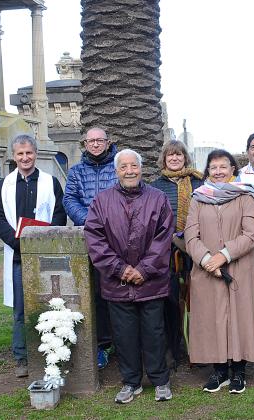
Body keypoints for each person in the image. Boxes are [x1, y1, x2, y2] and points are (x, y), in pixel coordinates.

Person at [84, 149, 175, 404]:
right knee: (123, 336)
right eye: (123, 167)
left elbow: (164, 238)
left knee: (154, 333)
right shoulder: (102, 201)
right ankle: (130, 382)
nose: (129, 171)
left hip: (151, 282)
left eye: (133, 166)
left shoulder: (158, 199)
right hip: (117, 283)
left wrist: (143, 270)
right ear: (116, 171)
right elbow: (95, 239)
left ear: (141, 168)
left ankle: (160, 381)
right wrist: (120, 269)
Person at [185, 149, 254, 394]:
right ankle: (219, 370)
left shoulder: (245, 196)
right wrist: (207, 259)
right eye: (214, 167)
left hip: (239, 267)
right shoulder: (198, 198)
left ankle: (239, 371)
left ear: (233, 169)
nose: (219, 171)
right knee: (212, 319)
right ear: (207, 171)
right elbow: (191, 234)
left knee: (240, 318)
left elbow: (252, 233)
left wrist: (225, 254)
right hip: (206, 270)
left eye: (224, 166)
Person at [0, 134, 67, 378]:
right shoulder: (4, 185)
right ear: (13, 156)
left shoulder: (50, 182)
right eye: (20, 154)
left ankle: (50, 352)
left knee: (50, 303)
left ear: (36, 153)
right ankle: (22, 357)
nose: (25, 158)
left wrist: (42, 241)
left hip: (44, 253)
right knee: (20, 309)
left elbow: (59, 213)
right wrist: (17, 242)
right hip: (18, 255)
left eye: (29, 153)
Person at [63, 127, 118, 369]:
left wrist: (107, 222)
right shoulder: (76, 172)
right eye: (90, 141)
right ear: (84, 143)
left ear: (108, 142)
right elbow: (69, 199)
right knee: (92, 291)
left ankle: (116, 341)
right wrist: (90, 221)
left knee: (114, 289)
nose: (95, 144)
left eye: (99, 140)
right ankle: (100, 343)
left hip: (115, 237)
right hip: (86, 237)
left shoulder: (118, 166)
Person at [150, 140, 204, 367]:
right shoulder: (155, 186)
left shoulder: (198, 182)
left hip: (196, 249)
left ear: (185, 157)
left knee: (197, 300)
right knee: (171, 302)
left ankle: (199, 351)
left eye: (178, 155)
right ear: (164, 158)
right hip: (167, 253)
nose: (174, 158)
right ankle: (173, 350)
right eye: (170, 155)